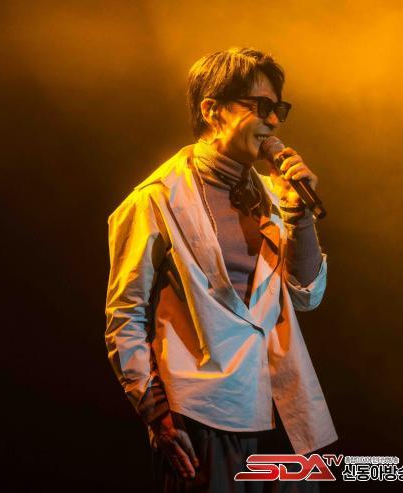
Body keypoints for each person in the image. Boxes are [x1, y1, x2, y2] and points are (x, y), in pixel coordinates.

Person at [105, 47, 337, 492]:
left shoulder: (274, 195)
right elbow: (125, 316)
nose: (273, 122)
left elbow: (308, 295)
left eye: (279, 110)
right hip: (204, 414)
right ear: (212, 109)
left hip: (286, 410)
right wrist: (156, 414)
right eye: (261, 107)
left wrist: (299, 215)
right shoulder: (155, 198)